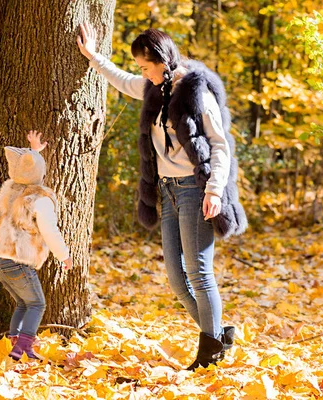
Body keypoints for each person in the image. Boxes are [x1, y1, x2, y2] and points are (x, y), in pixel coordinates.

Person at [77, 23, 247, 370]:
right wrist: (93, 56)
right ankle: (217, 335)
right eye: (139, 67)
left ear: (161, 60)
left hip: (195, 190)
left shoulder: (195, 92)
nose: (141, 73)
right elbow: (123, 80)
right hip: (166, 190)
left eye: (144, 66)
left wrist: (214, 190)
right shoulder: (155, 88)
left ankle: (209, 356)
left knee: (199, 273)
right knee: (175, 278)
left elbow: (219, 145)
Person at [0, 131, 73, 361]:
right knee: (37, 304)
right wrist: (64, 256)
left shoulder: (9, 190)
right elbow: (49, 230)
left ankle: (14, 342)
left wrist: (32, 153)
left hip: (1, 261)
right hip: (19, 262)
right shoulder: (39, 199)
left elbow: (24, 172)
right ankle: (22, 349)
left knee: (23, 303)